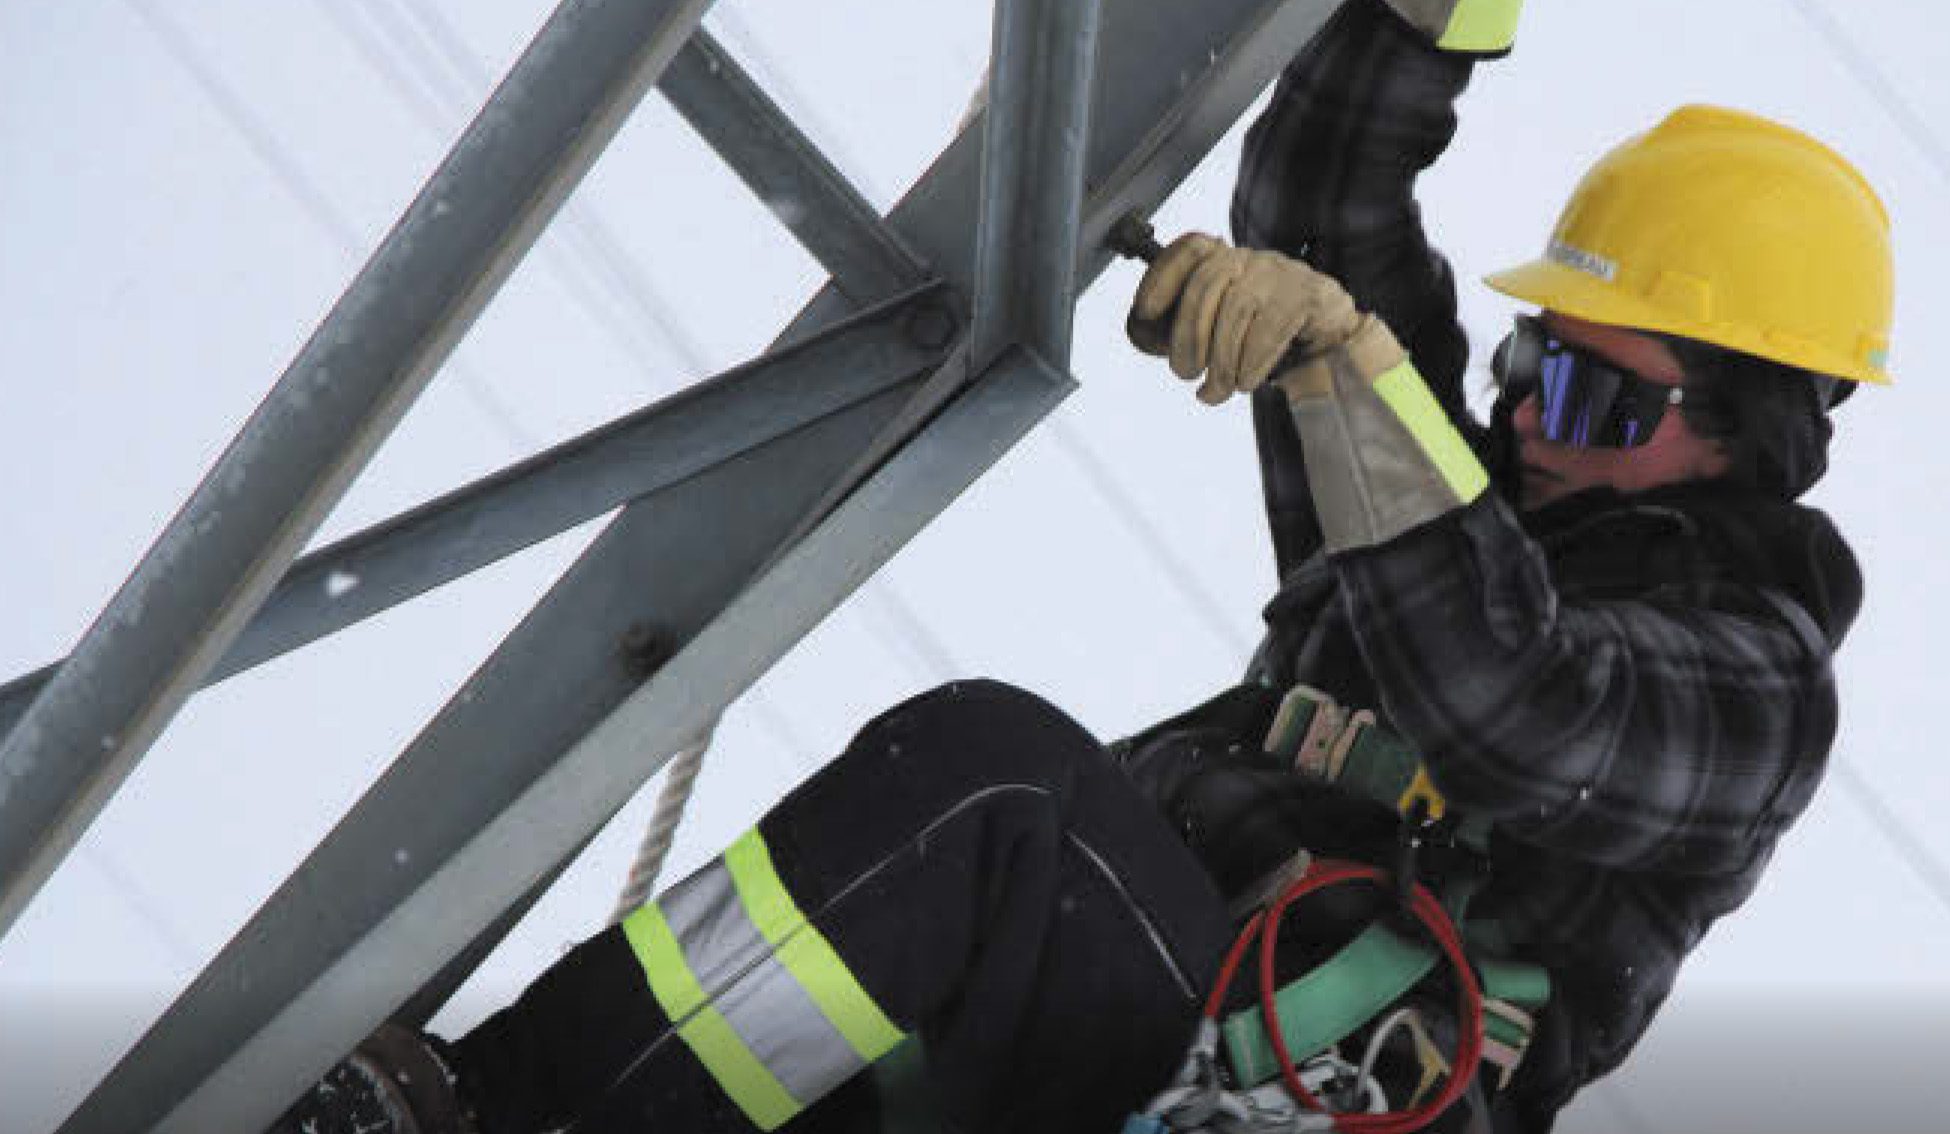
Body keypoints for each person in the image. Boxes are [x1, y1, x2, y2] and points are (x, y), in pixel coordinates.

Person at [268, 0, 1890, 1131]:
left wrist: (1350, 385)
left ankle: (499, 1114)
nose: (1532, 421)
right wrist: (1419, 17)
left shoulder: (1749, 687)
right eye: (1537, 364)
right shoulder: (1462, 529)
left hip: (1276, 1086)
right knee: (919, 919)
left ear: (1744, 440)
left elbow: (1505, 700)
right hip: (1112, 1021)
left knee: (992, 790)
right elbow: (1320, 212)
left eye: (1596, 396)